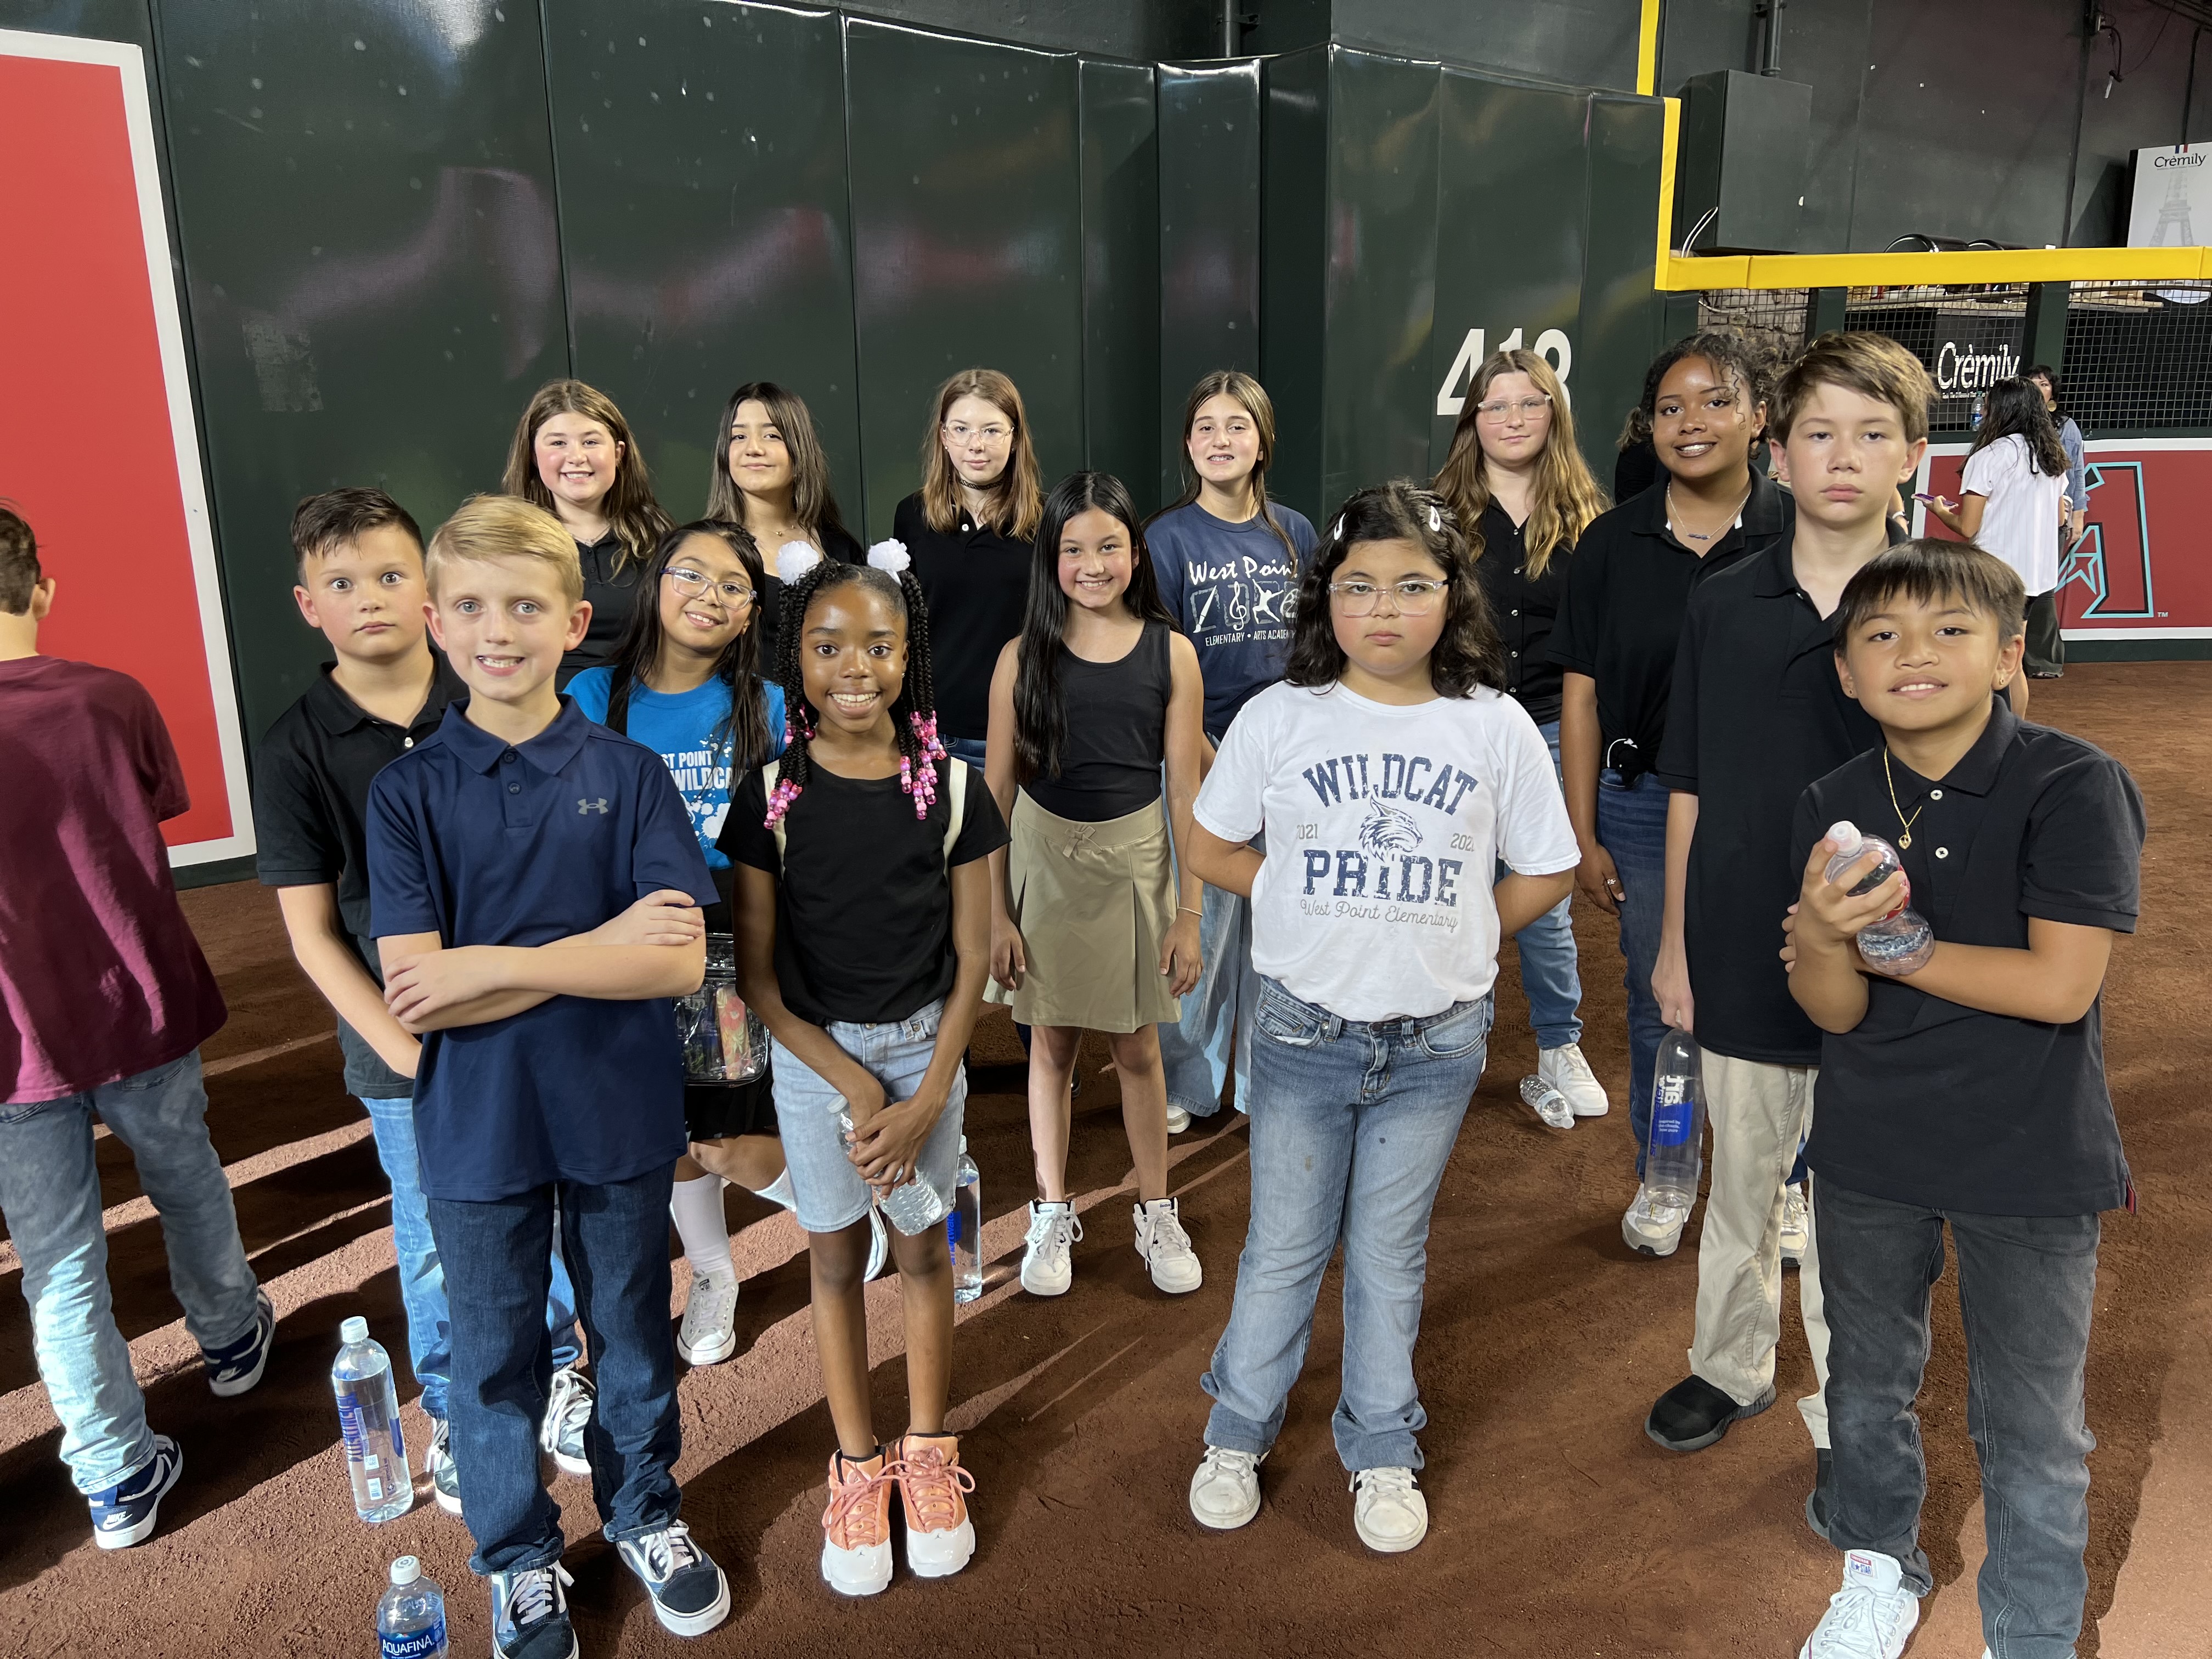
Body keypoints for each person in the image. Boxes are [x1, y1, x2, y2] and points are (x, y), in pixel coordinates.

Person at [1181, 482, 1578, 1554]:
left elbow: (1550, 866)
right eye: (1359, 587)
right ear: (1326, 602)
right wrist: (1292, 903)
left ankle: (1384, 1445)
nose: (1385, 610)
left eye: (1413, 585)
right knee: (1283, 1247)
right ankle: (1236, 1430)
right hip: (1305, 1030)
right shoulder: (1280, 718)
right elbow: (1212, 845)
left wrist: (1469, 925)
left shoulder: (1492, 725)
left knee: (1390, 1253)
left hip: (1438, 1041)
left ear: (1454, 596)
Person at [366, 496, 730, 1654]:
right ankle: (519, 1559)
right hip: (476, 1129)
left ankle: (643, 1514)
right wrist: (589, 952)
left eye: (526, 606)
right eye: (470, 606)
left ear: (573, 621)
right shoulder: (407, 794)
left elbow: (675, 956)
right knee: (491, 1363)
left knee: (629, 1330)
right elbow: (417, 989)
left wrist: (494, 965)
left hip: (616, 1111)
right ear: (433, 620)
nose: (498, 629)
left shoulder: (625, 773)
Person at [1786, 539, 2143, 1659]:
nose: (1913, 653)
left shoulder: (2072, 782)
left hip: (2029, 1155)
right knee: (1864, 1391)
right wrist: (1821, 933)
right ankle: (1879, 1574)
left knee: (2035, 1426)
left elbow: (2058, 984)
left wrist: (1897, 949)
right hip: (1872, 1147)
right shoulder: (1835, 798)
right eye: (1880, 635)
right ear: (1847, 672)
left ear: (2006, 653)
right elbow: (1831, 1010)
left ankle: (2031, 1633)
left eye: (1950, 630)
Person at [253, 488, 590, 1514]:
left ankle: (560, 1367)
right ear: (310, 604)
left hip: (534, 1023)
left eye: (394, 576)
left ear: (434, 597)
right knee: (440, 1230)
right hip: (408, 1059)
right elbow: (313, 935)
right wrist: (411, 1058)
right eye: (344, 583)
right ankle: (453, 1402)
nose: (373, 600)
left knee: (556, 1202)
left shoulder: (493, 689)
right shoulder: (295, 747)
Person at [1643, 334, 1931, 1510]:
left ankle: (1851, 1401)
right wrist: (1673, 942)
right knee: (1744, 1178)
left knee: (1865, 1202)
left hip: (1891, 965)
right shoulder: (1724, 601)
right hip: (1737, 948)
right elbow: (1692, 784)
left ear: (1913, 452)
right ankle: (1730, 1366)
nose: (1843, 457)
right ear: (1779, 448)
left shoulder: (1941, 601)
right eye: (1819, 432)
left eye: (1872, 434)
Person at [719, 549, 1004, 1599]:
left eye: (878, 646)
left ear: (908, 656)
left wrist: (925, 1091)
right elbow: (758, 976)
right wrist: (854, 1084)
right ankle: (857, 1464)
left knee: (925, 1253)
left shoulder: (957, 789)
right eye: (827, 645)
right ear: (793, 656)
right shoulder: (769, 797)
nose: (853, 666)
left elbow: (975, 957)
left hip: (928, 1055)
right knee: (835, 1262)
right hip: (816, 1066)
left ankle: (928, 1452)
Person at [0, 501, 273, 1550]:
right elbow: (154, 805)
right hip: (139, 1002)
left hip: (16, 1047)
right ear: (45, 588)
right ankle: (232, 1332)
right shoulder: (111, 697)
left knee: (56, 1260)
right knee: (187, 1173)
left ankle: (114, 1475)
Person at [566, 519, 889, 1367]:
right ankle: (714, 1273)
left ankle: (839, 1215)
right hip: (638, 941)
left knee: (730, 1135)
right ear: (654, 583)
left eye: (732, 586)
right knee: (669, 1133)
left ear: (752, 614)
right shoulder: (598, 699)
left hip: (742, 936)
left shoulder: (774, 707)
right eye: (691, 575)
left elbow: (808, 834)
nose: (709, 595)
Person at [1548, 330, 1785, 1256]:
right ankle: (1668, 1170)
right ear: (1648, 425)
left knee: (1786, 992)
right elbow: (1581, 693)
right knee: (1664, 1001)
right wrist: (1584, 828)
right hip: (1643, 808)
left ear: (1759, 417)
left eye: (1717, 401)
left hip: (1770, 811)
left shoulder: (1802, 534)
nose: (1693, 423)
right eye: (1672, 407)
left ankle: (1783, 1179)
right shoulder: (1610, 542)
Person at [986, 472, 1209, 1299]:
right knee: (1051, 1045)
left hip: (1138, 864)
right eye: (1072, 549)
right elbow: (997, 797)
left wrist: (1189, 912)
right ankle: (1051, 1209)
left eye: (1108, 546)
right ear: (1051, 559)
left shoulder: (1170, 651)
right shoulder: (1021, 657)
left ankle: (1156, 1206)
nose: (1091, 563)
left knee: (1139, 1045)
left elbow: (1186, 791)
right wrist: (998, 913)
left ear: (1135, 553)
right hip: (1042, 866)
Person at [1433, 347, 1611, 1126]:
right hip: (1454, 730)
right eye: (1496, 405)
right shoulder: (1437, 515)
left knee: (1543, 899)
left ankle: (1558, 1044)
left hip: (1546, 728)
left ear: (1554, 414)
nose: (1512, 418)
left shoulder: (1589, 520)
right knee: (1442, 888)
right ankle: (1444, 1033)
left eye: (1528, 402)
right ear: (1474, 419)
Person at [1147, 370, 1318, 1132]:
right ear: (1189, 444)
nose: (1222, 440)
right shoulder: (1167, 537)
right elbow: (1158, 666)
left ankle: (1263, 1079)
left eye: (1237, 426)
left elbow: (1316, 651)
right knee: (1204, 927)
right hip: (1203, 754)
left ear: (1262, 441)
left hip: (1286, 757)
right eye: (1207, 427)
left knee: (1281, 918)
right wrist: (1206, 755)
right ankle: (1189, 1082)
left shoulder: (1297, 532)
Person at [894, 368, 1043, 769]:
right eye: (961, 429)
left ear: (1015, 438)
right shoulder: (912, 515)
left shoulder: (1048, 519)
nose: (976, 445)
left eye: (992, 431)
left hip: (1024, 731)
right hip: (938, 733)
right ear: (943, 437)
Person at [501, 378, 675, 686]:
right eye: (558, 443)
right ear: (533, 455)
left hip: (643, 708)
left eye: (591, 442)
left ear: (619, 453)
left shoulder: (658, 535)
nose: (577, 457)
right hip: (546, 713)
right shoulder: (507, 543)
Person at [1920, 376, 2068, 721]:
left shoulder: (1989, 456)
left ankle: (1989, 737)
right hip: (2036, 580)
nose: (1982, 409)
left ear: (2000, 410)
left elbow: (1968, 527)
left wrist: (1940, 511)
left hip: (1994, 578)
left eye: (1987, 403)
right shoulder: (2051, 457)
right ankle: (2013, 736)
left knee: (1987, 660)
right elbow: (2060, 516)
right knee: (2011, 662)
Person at [702, 380, 865, 664]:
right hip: (740, 708)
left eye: (772, 436)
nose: (753, 449)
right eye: (738, 437)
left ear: (799, 448)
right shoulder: (704, 548)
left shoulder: (840, 547)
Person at [2024, 364, 2086, 680]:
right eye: (2032, 383)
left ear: (2053, 393)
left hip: (2054, 518)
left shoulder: (2066, 427)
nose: (2038, 388)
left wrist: (2078, 518)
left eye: (2045, 384)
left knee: (2043, 586)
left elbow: (2076, 477)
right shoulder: (2010, 424)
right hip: (2018, 516)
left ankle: (2044, 661)